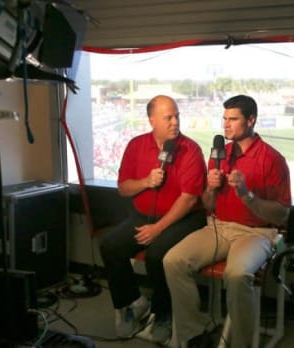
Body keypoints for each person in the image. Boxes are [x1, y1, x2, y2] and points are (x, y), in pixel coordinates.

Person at [164, 94, 291, 348]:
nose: (226, 125)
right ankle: (195, 334)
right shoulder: (220, 154)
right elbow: (209, 205)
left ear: (251, 120)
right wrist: (210, 190)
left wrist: (247, 195)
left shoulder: (272, 159)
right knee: (173, 261)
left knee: (237, 274)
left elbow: (281, 215)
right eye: (224, 119)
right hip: (219, 226)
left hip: (257, 233)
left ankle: (240, 344)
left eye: (233, 119)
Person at [99, 95, 207, 342]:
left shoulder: (190, 149)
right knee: (110, 246)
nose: (174, 122)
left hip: (184, 219)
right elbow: (124, 188)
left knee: (157, 254)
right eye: (168, 117)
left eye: (177, 116)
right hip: (142, 215)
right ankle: (132, 303)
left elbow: (189, 199)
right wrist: (146, 182)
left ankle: (163, 313)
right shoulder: (136, 146)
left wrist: (157, 228)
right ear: (152, 120)